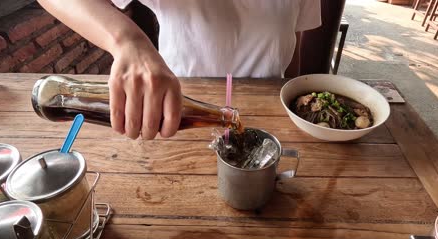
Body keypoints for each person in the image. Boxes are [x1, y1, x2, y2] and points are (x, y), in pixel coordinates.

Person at [37, 0, 321, 140]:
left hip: (270, 114)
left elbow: (293, 39)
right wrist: (127, 41)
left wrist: (291, 95)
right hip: (177, 114)